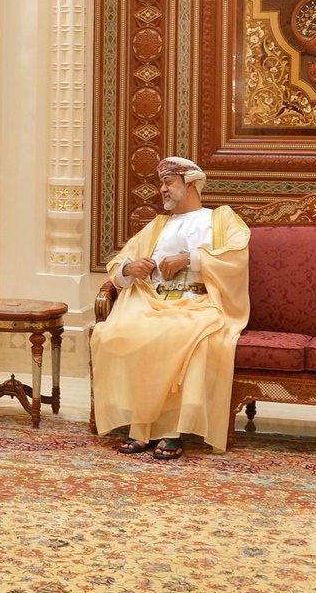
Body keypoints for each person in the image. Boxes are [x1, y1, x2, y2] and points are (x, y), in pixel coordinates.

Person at [88, 157, 250, 461]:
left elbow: (236, 257)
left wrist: (190, 259)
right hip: (152, 300)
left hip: (199, 303)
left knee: (179, 336)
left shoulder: (220, 219)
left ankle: (170, 431)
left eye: (168, 183)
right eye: (161, 183)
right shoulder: (158, 224)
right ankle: (140, 426)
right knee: (118, 332)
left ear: (190, 184)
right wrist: (131, 268)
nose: (162, 189)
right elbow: (118, 263)